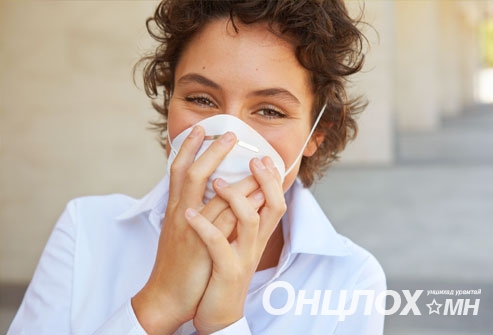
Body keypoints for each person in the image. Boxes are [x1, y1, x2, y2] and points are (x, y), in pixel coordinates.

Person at [9, 0, 386, 334]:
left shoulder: (350, 280)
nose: (228, 135)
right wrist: (158, 304)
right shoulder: (87, 231)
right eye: (202, 99)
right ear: (169, 98)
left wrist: (223, 325)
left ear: (318, 132)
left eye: (270, 110)